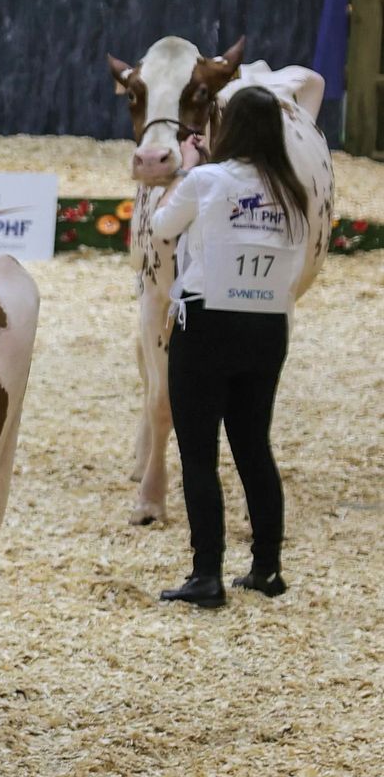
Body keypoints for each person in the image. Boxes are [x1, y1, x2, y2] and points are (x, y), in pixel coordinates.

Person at [149, 87, 314, 606]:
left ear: (230, 128)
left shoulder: (206, 179)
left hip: (208, 323)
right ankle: (266, 567)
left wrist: (192, 164)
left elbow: (160, 227)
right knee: (253, 446)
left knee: (199, 452)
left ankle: (207, 574)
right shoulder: (294, 191)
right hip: (267, 327)